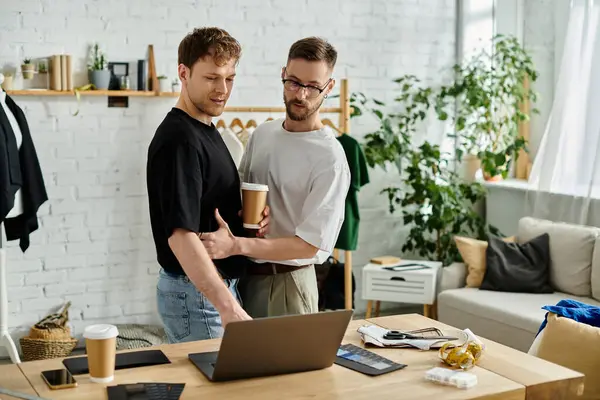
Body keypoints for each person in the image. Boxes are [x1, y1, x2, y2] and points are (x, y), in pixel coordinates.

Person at [201, 36, 351, 318]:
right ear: (283, 74)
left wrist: (236, 245)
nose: (300, 94)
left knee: (289, 364)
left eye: (312, 86)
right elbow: (242, 196)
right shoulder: (263, 134)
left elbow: (309, 245)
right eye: (293, 82)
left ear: (328, 87)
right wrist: (250, 213)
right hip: (243, 278)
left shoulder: (330, 158)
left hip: (288, 284)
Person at [146, 27, 269, 343]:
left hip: (208, 291)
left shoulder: (205, 129)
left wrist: (246, 223)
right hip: (198, 296)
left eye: (229, 78)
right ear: (183, 73)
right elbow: (180, 236)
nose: (223, 89)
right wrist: (228, 307)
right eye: (212, 78)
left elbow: (205, 207)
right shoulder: (180, 140)